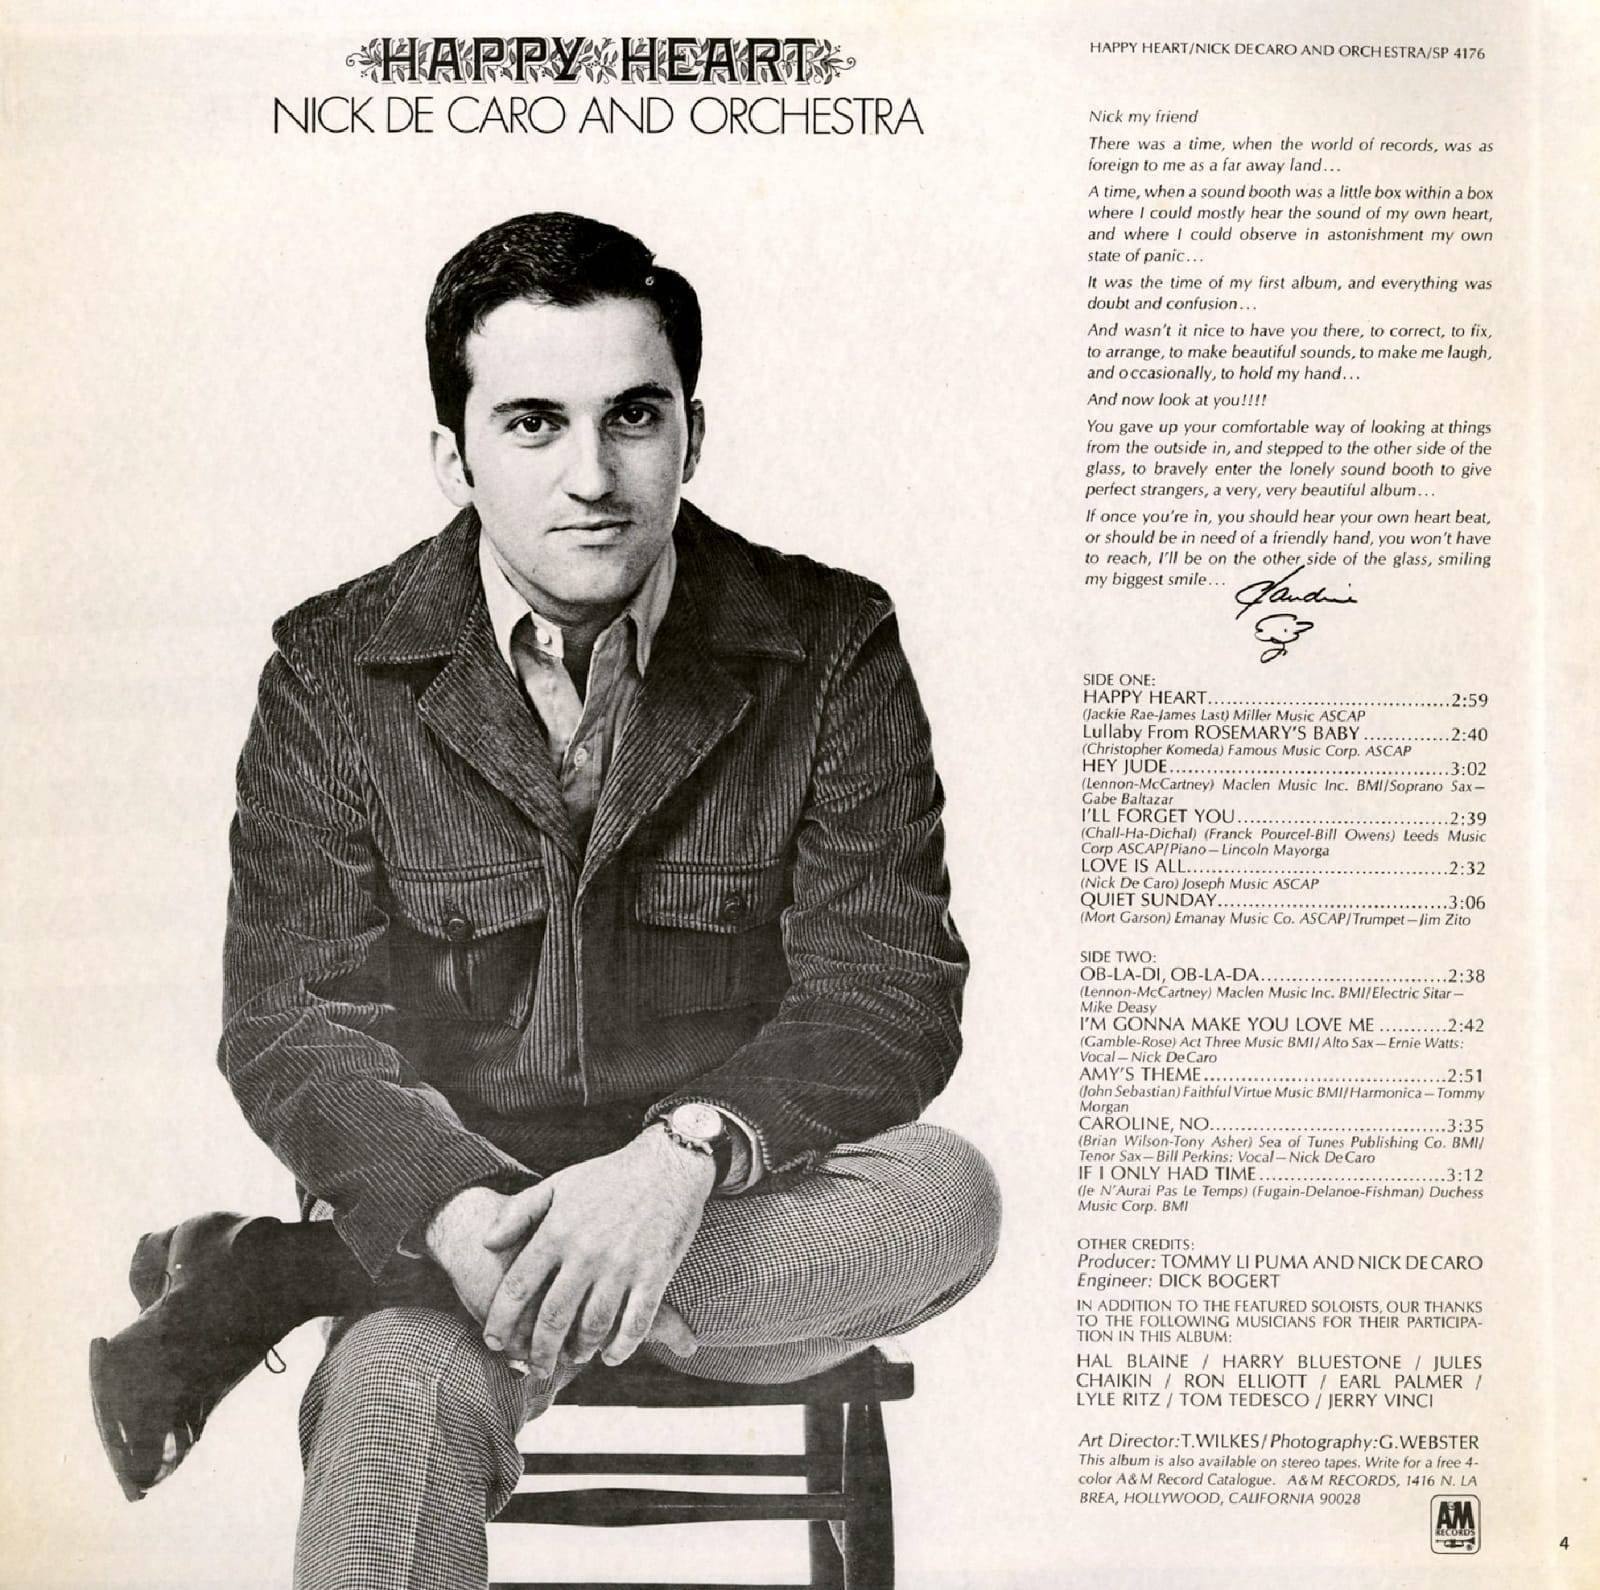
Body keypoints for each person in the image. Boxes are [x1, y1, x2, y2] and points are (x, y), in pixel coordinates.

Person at [90, 211, 1000, 1589]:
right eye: (532, 424)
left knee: (946, 1198)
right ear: (453, 453)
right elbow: (291, 1023)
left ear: (694, 430)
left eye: (634, 415)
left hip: (730, 1196)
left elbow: (890, 995)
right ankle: (392, 1276)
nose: (594, 476)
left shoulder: (832, 642)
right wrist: (451, 1210)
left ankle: (288, 1272)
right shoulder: (331, 669)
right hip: (445, 1213)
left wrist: (679, 1162)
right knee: (393, 1400)